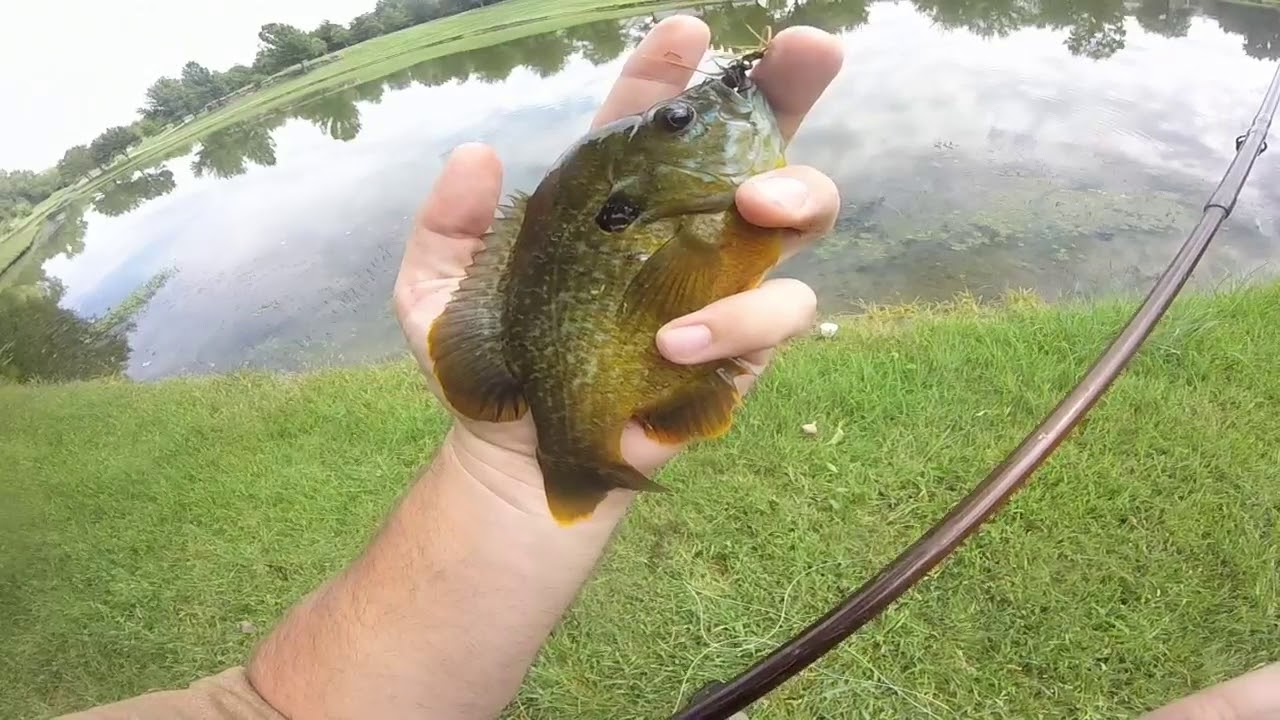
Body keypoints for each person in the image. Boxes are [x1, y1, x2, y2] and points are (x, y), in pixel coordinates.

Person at [64, 17, 1277, 720]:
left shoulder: (658, 193)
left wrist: (507, 466)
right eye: (678, 126)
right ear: (652, 178)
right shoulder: (648, 191)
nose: (698, 112)